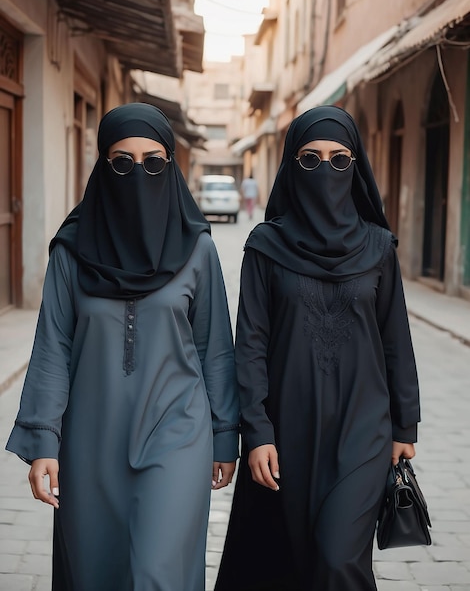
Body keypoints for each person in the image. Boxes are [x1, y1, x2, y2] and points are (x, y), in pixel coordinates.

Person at [6, 102, 239, 591]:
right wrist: (44, 438)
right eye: (121, 162)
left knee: (158, 574)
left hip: (178, 435)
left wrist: (224, 435)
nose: (138, 174)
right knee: (96, 572)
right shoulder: (71, 252)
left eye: (153, 163)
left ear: (171, 167)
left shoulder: (197, 249)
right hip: (90, 439)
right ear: (102, 167)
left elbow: (215, 348)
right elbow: (53, 346)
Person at [214, 105, 421, 591]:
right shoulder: (265, 246)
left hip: (362, 431)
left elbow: (397, 340)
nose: (325, 170)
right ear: (291, 166)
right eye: (310, 159)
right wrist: (257, 431)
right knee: (285, 562)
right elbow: (250, 344)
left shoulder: (378, 248)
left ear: (356, 166)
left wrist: (404, 424)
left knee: (336, 560)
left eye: (338, 158)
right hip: (286, 433)